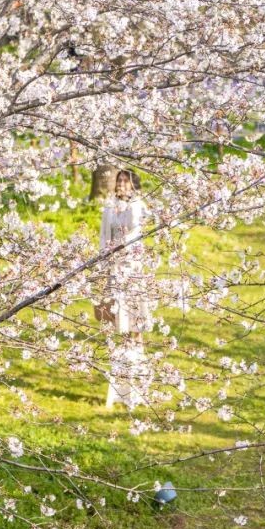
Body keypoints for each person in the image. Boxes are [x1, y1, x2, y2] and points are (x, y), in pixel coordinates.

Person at [99, 169, 154, 410]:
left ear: (133, 185)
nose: (121, 184)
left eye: (126, 181)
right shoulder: (109, 207)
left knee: (136, 324)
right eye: (119, 180)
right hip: (114, 271)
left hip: (133, 270)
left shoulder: (138, 205)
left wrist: (129, 202)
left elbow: (132, 226)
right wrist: (102, 268)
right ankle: (118, 386)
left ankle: (139, 384)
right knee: (117, 325)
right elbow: (104, 237)